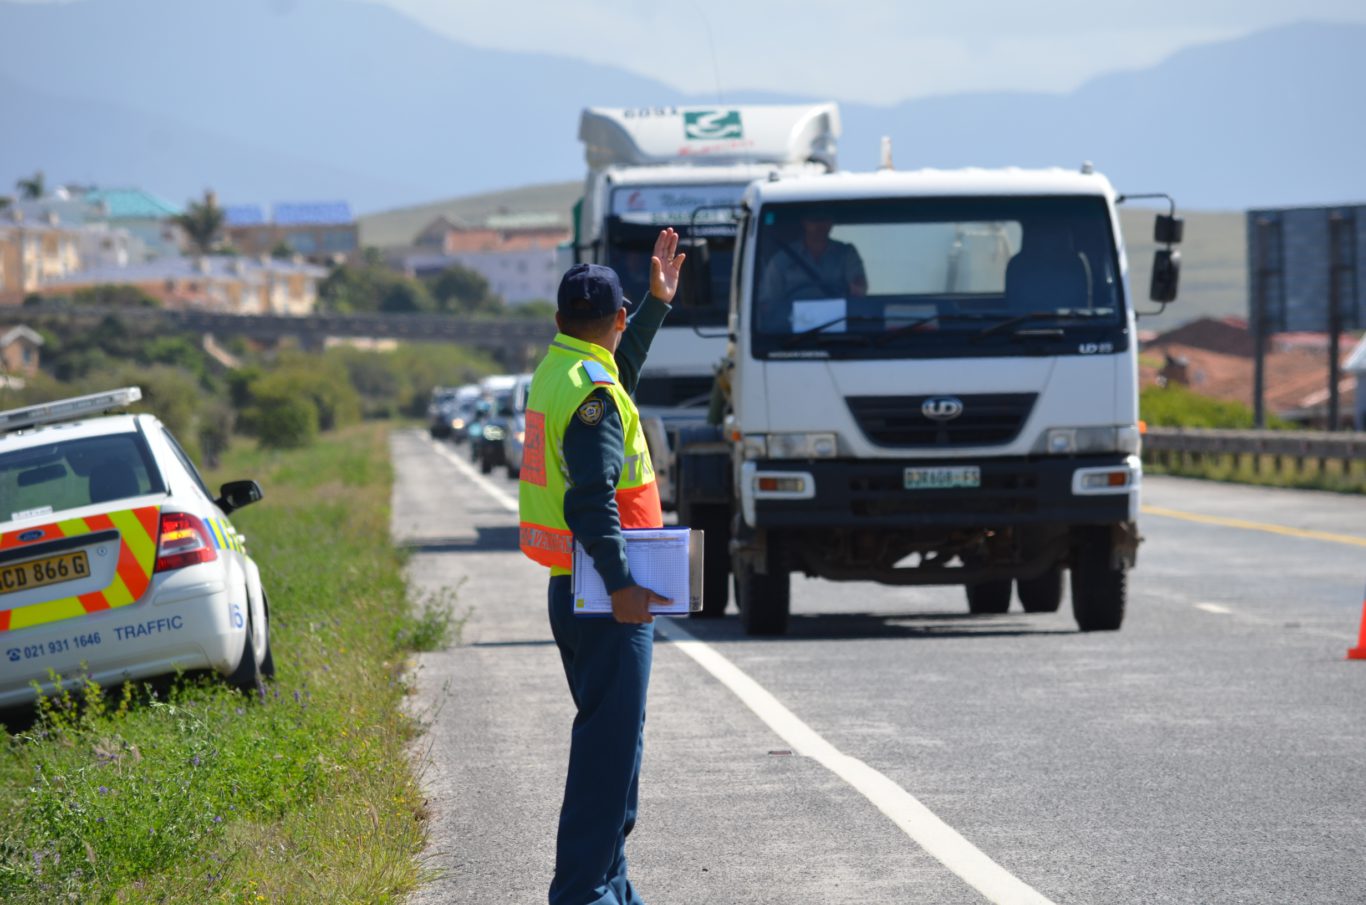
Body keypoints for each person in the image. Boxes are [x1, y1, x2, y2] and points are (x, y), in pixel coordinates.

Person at [517, 228, 686, 905]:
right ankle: (583, 894)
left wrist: (655, 305)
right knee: (606, 764)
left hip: (577, 592)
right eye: (626, 320)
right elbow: (592, 500)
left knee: (617, 762)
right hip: (608, 598)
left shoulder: (561, 370)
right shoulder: (594, 395)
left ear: (560, 320)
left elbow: (616, 375)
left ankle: (613, 889)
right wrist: (623, 585)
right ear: (612, 321)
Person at [756, 217, 867, 331]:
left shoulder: (846, 253)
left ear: (831, 222)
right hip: (789, 337)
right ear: (804, 222)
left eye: (824, 217)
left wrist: (854, 288)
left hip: (843, 334)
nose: (820, 224)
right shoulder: (781, 260)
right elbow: (768, 304)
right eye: (814, 219)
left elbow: (859, 289)